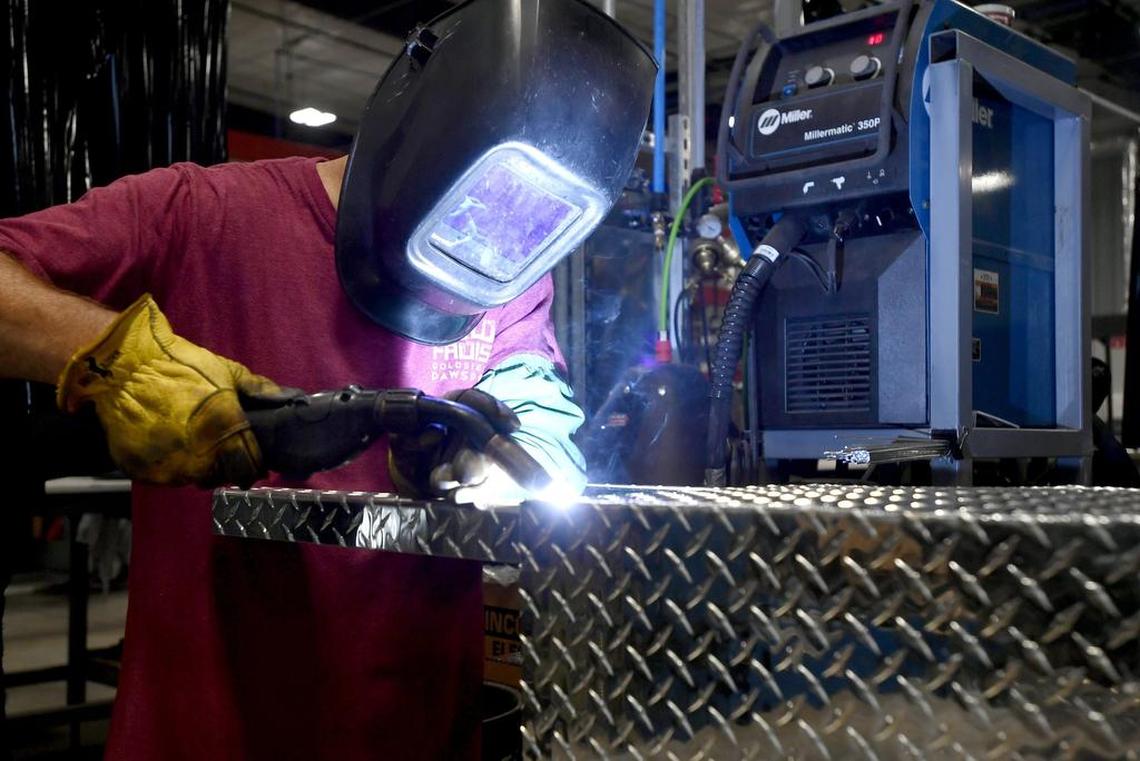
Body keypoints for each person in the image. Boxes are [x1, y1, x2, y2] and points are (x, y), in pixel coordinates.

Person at [0, 1, 653, 757]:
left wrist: (497, 447)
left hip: (421, 733)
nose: (489, 241)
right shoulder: (201, 214)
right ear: (425, 133)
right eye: (479, 207)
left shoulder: (510, 275)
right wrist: (117, 356)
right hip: (212, 730)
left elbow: (539, 410)